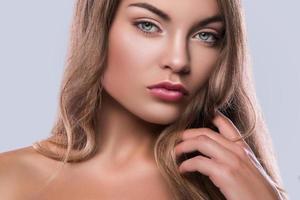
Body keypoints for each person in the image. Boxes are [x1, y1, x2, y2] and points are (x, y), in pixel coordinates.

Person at [0, 0, 288, 199]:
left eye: (205, 35)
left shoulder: (232, 185)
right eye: (148, 26)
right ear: (99, 27)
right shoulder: (10, 179)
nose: (178, 61)